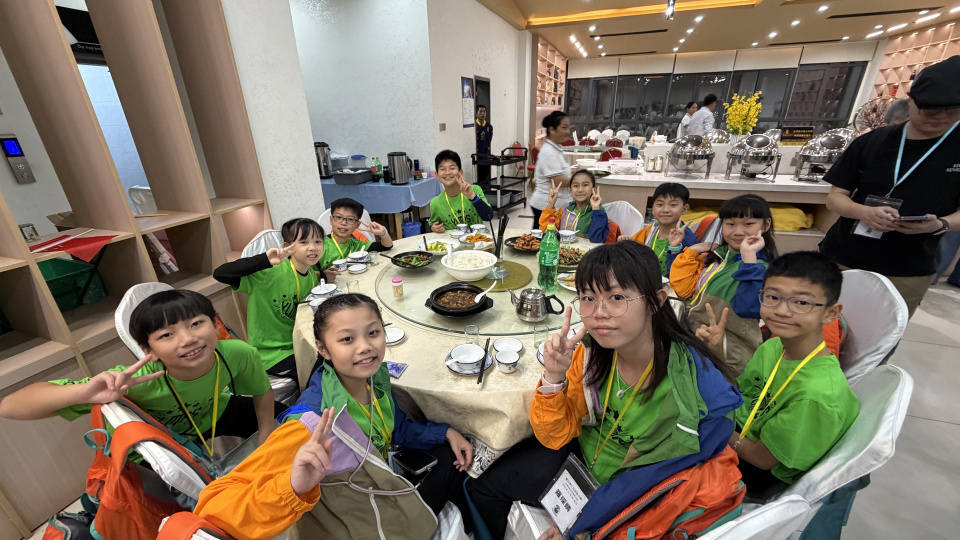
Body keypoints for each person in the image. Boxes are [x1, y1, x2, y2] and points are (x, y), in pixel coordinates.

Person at [465, 242, 743, 540]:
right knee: (477, 486)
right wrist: (554, 378)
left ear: (656, 301)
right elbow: (555, 436)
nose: (599, 312)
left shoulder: (696, 392)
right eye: (588, 298)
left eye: (617, 297)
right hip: (582, 462)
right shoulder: (590, 355)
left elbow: (658, 483)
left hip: (634, 493)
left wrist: (582, 526)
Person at [192, 294, 474, 540]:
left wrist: (444, 432)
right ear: (323, 349)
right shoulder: (311, 423)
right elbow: (214, 507)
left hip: (375, 484)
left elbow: (395, 428)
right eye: (347, 339)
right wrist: (291, 486)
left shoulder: (373, 377)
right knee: (460, 473)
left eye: (373, 333)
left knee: (450, 453)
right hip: (356, 519)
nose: (365, 347)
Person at [0, 290, 280, 450]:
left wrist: (266, 433)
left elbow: (262, 393)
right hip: (152, 443)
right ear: (148, 350)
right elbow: (9, 407)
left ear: (216, 325)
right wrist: (82, 393)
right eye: (166, 335)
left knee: (286, 419)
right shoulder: (132, 382)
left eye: (196, 323)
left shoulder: (237, 353)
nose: (188, 339)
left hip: (213, 414)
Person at [818, 55, 960, 318]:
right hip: (846, 257)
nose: (940, 117)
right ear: (911, 99)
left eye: (951, 110)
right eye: (930, 109)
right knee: (826, 326)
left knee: (884, 331)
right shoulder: (872, 142)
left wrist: (940, 224)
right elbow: (835, 198)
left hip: (910, 267)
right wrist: (864, 212)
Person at [671, 194, 777, 376]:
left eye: (748, 224)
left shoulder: (760, 268)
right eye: (730, 224)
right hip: (700, 345)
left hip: (730, 359)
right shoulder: (717, 258)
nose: (738, 231)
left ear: (765, 225)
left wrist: (749, 258)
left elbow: (750, 308)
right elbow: (684, 289)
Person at [214, 218, 328, 385]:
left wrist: (324, 274)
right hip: (272, 354)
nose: (313, 247)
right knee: (324, 373)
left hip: (300, 343)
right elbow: (220, 273)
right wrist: (264, 259)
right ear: (287, 246)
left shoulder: (310, 275)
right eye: (303, 242)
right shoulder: (268, 274)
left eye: (318, 241)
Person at [619, 182, 698, 276]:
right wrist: (625, 243)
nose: (665, 210)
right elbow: (634, 251)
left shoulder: (687, 239)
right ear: (653, 208)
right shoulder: (652, 229)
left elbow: (682, 276)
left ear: (684, 209)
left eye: (673, 205)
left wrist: (675, 249)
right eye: (660, 204)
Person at [538, 170, 620, 243]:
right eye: (575, 185)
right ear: (570, 190)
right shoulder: (565, 210)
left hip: (588, 254)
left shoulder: (599, 211)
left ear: (593, 189)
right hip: (563, 252)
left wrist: (595, 209)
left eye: (585, 185)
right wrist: (551, 204)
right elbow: (545, 232)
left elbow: (596, 240)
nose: (580, 189)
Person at [318, 198, 393, 270]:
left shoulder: (357, 245)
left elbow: (386, 246)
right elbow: (311, 272)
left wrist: (383, 233)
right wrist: (324, 274)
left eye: (350, 219)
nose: (344, 223)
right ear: (331, 220)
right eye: (339, 217)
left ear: (357, 225)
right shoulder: (319, 244)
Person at [429, 150, 493, 232]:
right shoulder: (435, 203)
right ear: (437, 175)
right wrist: (434, 228)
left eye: (452, 168)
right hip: (451, 240)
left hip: (476, 238)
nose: (447, 172)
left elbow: (488, 216)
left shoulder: (474, 190)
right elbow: (433, 224)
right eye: (442, 169)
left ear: (460, 172)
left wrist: (473, 197)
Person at [530, 111, 574, 229]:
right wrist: (582, 180)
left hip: (556, 205)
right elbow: (559, 181)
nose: (567, 131)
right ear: (552, 129)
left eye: (568, 127)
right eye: (564, 127)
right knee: (545, 237)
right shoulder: (549, 152)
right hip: (546, 205)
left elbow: (560, 171)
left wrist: (576, 171)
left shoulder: (556, 148)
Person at [476, 105, 493, 187]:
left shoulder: (489, 127)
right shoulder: (475, 126)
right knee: (479, 177)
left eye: (484, 111)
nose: (482, 113)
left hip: (486, 155)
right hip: (477, 156)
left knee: (486, 177)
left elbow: (489, 141)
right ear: (476, 114)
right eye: (480, 111)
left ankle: (486, 191)